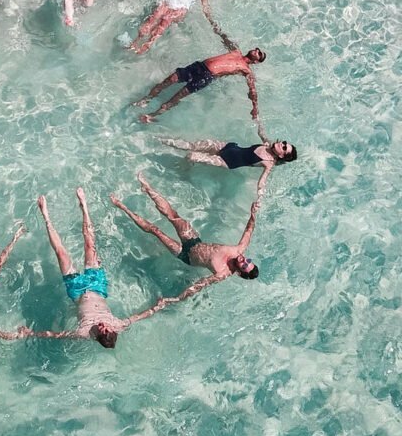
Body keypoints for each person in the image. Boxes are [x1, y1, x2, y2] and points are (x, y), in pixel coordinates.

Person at [110, 173, 261, 297]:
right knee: (173, 215)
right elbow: (249, 229)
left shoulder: (223, 273)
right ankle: (148, 188)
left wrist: (173, 300)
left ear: (240, 273)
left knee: (155, 231)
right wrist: (253, 214)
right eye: (249, 261)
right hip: (194, 241)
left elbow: (199, 286)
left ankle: (123, 207)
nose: (244, 260)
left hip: (185, 255)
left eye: (245, 265)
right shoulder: (239, 249)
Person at [36, 189, 129, 347]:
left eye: (101, 329)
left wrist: (29, 333)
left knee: (61, 253)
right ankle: (84, 206)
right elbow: (143, 315)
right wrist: (165, 303)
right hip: (97, 285)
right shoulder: (119, 325)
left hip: (77, 290)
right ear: (113, 330)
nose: (102, 325)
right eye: (107, 327)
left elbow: (56, 335)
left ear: (98, 335)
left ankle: (46, 216)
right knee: (89, 244)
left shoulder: (84, 333)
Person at [136, 47, 266, 127]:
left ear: (256, 62)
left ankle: (152, 115)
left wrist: (255, 108)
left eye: (260, 54)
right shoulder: (236, 51)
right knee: (168, 81)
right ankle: (146, 99)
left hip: (206, 76)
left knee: (177, 97)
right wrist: (207, 12)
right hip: (198, 66)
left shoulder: (246, 70)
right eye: (258, 49)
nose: (257, 50)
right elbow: (221, 34)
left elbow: (252, 91)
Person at [158, 136, 297, 197]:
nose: (281, 144)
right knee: (192, 145)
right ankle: (161, 141)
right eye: (284, 143)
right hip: (229, 147)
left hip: (226, 161)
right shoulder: (268, 145)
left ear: (282, 156)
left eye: (284, 148)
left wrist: (259, 197)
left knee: (191, 156)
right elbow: (261, 132)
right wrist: (256, 114)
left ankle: (182, 170)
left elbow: (262, 182)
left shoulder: (268, 163)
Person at [130, 0, 216, 54]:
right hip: (167, 3)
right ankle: (136, 41)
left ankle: (147, 45)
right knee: (152, 20)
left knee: (164, 22)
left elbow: (205, 5)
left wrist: (210, 19)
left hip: (179, 10)